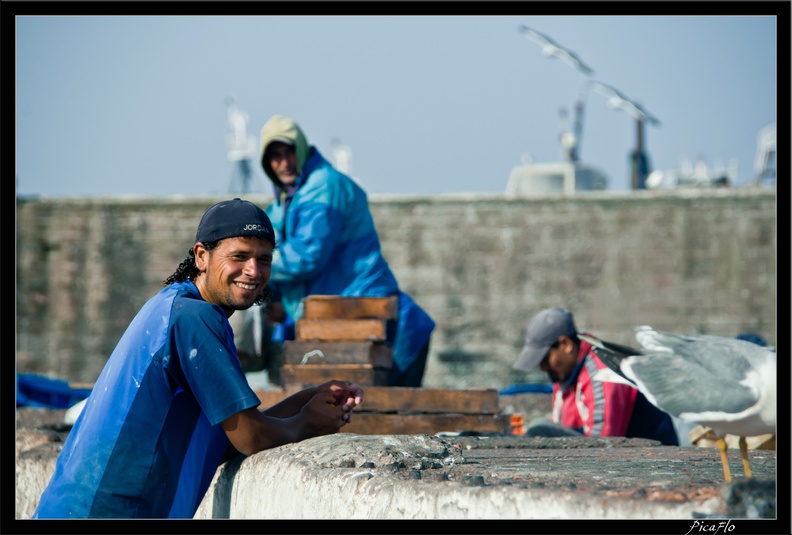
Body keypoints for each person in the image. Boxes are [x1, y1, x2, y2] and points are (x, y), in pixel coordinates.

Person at [33, 198, 363, 519]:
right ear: (202, 256)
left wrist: (306, 400)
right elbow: (250, 438)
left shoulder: (172, 305)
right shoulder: (195, 318)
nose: (253, 270)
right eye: (240, 256)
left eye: (264, 259)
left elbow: (227, 441)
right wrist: (308, 423)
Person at [258, 114, 435, 387]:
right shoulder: (285, 202)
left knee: (378, 414)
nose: (284, 163)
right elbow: (272, 243)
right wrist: (277, 297)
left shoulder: (323, 187)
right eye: (275, 156)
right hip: (337, 318)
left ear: (302, 150)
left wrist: (256, 265)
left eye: (289, 152)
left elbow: (307, 256)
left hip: (373, 315)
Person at [513, 307, 678, 445]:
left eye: (545, 359)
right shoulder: (564, 373)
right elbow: (562, 423)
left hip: (648, 456)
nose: (543, 368)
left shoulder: (602, 374)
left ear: (565, 345)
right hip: (612, 448)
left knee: (539, 430)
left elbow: (602, 443)